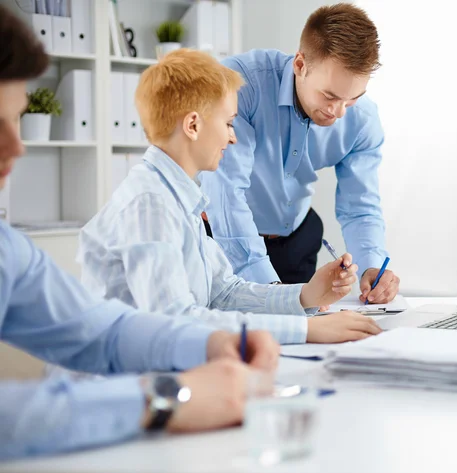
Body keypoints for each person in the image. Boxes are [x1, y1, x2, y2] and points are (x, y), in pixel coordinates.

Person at [0, 5, 278, 460]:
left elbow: (101, 332)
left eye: (15, 120)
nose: (19, 146)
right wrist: (168, 398)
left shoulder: (7, 249)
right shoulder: (149, 200)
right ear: (193, 124)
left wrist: (214, 343)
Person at [78, 48, 382, 345]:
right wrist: (306, 330)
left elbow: (224, 292)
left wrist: (306, 295)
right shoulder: (149, 205)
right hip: (123, 384)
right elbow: (175, 321)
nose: (233, 137)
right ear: (193, 125)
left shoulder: (180, 199)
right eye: (228, 123)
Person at [200, 3, 400, 305]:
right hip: (224, 239)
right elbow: (227, 196)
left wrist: (372, 265)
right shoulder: (239, 85)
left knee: (299, 344)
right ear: (300, 65)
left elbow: (360, 206)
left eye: (353, 98)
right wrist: (269, 292)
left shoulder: (363, 120)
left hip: (297, 240)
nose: (339, 112)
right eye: (330, 96)